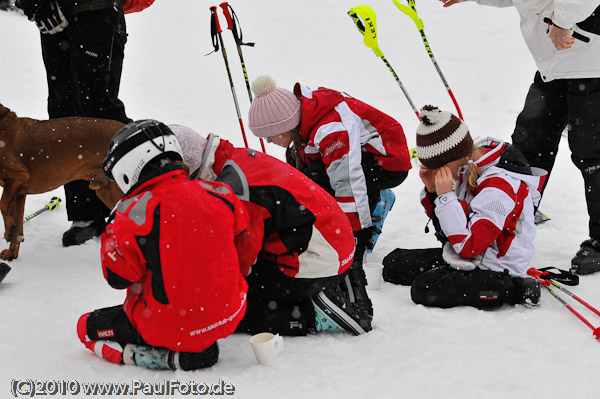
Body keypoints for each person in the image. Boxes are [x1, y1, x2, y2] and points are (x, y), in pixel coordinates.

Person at [438, 0, 600, 275]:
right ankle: (514, 211)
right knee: (528, 147)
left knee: (592, 155)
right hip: (554, 66)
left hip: (590, 63)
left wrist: (561, 22)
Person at [76, 120, 249, 370]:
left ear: (127, 169)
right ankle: (197, 333)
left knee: (85, 327)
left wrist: (113, 227)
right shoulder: (218, 192)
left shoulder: (134, 213)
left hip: (169, 327)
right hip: (230, 314)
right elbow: (243, 242)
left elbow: (118, 277)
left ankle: (164, 357)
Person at [170, 125, 372, 336]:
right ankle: (334, 282)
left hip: (321, 254)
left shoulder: (231, 188)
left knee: (235, 309)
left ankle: (313, 315)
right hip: (333, 237)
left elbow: (242, 254)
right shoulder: (229, 158)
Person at [383, 105, 545, 308]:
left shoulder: (499, 189)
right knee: (392, 264)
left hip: (494, 267)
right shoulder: (464, 167)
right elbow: (448, 236)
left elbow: (469, 246)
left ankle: (515, 289)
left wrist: (445, 198)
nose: (432, 170)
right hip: (468, 255)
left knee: (424, 289)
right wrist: (434, 192)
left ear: (449, 156)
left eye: (435, 165)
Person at [246, 76, 412, 266]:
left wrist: (353, 236)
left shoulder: (331, 129)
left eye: (268, 136)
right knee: (302, 175)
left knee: (317, 182)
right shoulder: (305, 114)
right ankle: (370, 199)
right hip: (360, 152)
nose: (268, 142)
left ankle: (372, 207)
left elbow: (348, 181)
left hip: (389, 161)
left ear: (284, 128)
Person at [15, 0, 133, 246]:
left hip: (95, 10)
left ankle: (132, 204)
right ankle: (85, 214)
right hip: (52, 15)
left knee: (99, 112)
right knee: (62, 116)